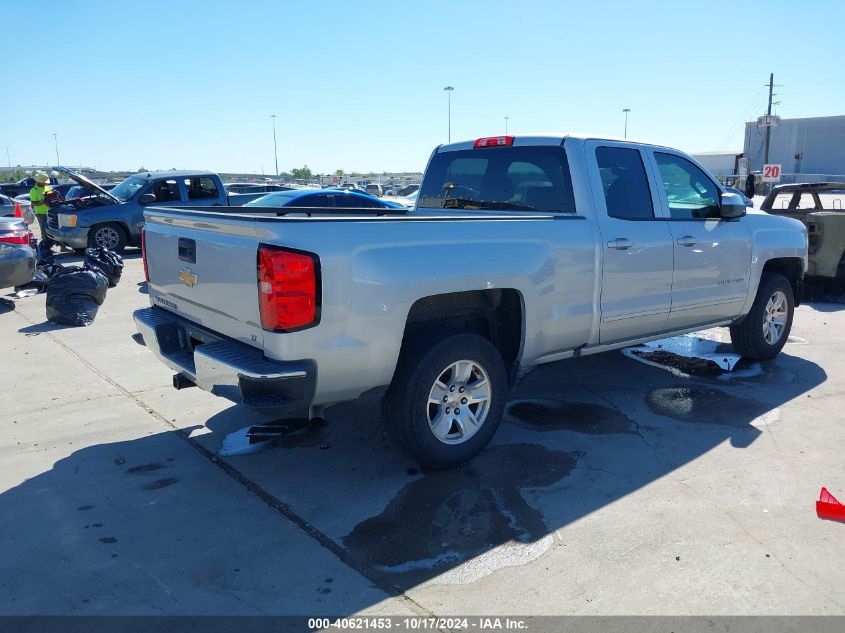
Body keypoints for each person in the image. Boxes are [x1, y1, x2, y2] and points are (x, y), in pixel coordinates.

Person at [29, 171, 54, 248]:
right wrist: (44, 201)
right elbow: (34, 203)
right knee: (44, 229)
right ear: (38, 181)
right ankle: (46, 246)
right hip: (40, 213)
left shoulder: (47, 188)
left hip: (50, 212)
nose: (45, 183)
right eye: (43, 182)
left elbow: (51, 198)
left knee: (51, 229)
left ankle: (52, 244)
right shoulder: (34, 190)